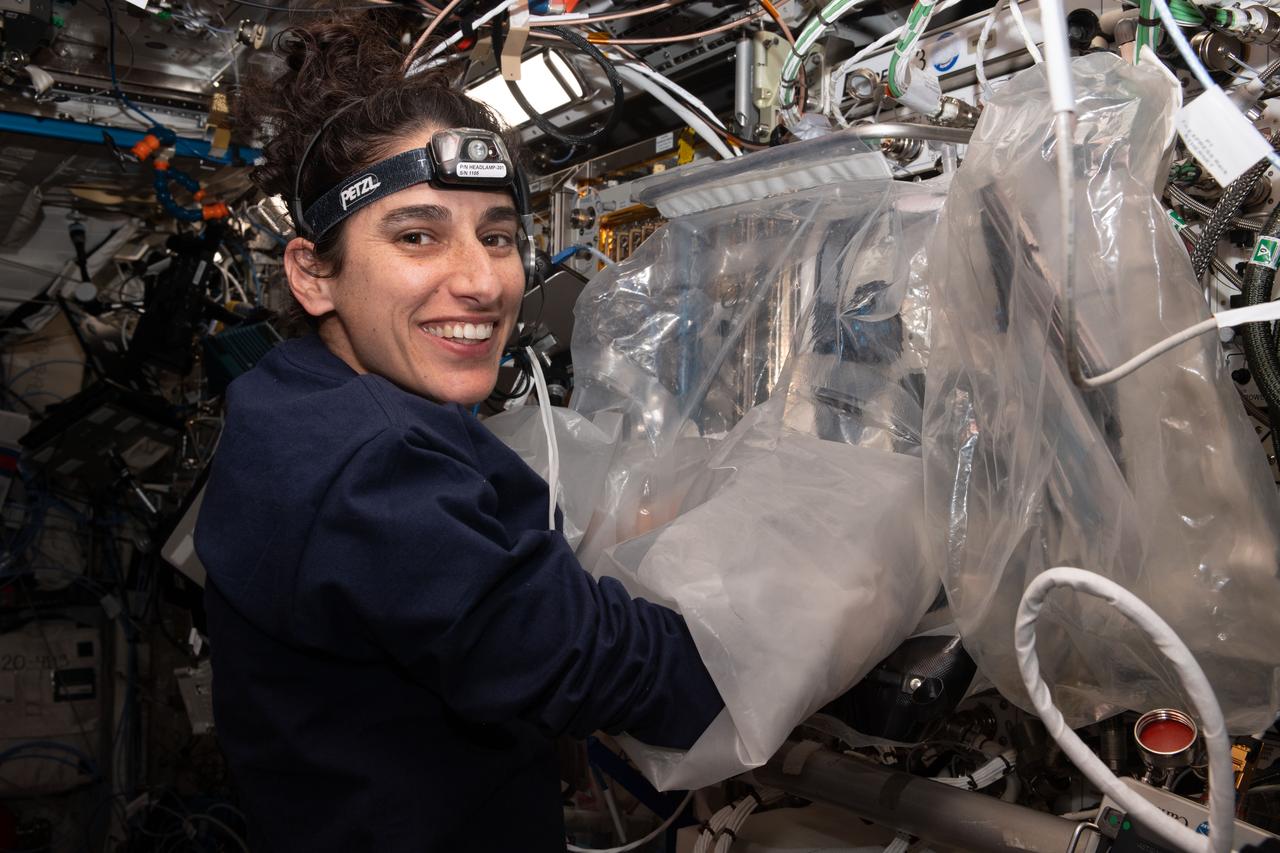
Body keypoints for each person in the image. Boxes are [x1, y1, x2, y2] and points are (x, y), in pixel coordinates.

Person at [194, 13, 724, 852]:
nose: (481, 282)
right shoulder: (370, 462)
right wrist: (818, 635)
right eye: (417, 236)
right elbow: (595, 665)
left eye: (499, 237)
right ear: (312, 274)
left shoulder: (291, 397)